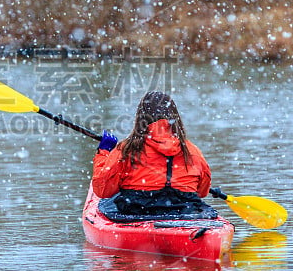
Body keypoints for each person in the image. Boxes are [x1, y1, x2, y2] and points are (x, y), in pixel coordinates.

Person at [92, 91, 217, 219]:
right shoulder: (192, 151)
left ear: (141, 118)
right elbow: (202, 191)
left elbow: (103, 190)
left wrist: (104, 152)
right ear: (174, 117)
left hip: (138, 211)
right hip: (184, 212)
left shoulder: (126, 149)